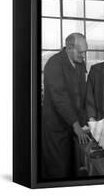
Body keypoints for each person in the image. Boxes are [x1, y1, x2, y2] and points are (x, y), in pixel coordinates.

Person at [41, 33, 90, 180]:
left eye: (85, 52)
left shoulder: (80, 64)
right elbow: (60, 98)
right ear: (69, 48)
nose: (83, 56)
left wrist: (85, 122)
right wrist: (76, 126)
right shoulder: (54, 64)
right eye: (81, 52)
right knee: (59, 168)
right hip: (56, 126)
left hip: (74, 124)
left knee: (73, 166)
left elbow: (81, 95)